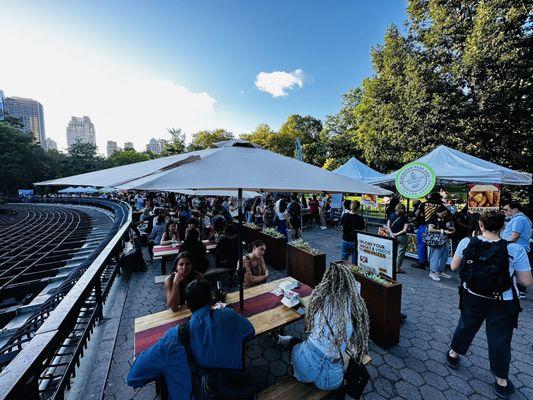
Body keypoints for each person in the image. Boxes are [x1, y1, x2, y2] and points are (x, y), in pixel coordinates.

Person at [447, 211, 533, 399]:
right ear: (502, 227)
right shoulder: (514, 249)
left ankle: (454, 354)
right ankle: (501, 380)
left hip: (472, 296)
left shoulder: (467, 242)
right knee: (500, 339)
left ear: (481, 225)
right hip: (503, 301)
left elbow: (453, 267)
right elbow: (526, 281)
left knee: (466, 326)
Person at [128, 279, 255, 400]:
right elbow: (250, 332)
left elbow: (133, 377)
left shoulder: (173, 338)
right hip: (234, 391)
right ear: (211, 300)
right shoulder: (229, 315)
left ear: (187, 305)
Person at [292, 262, 369, 391]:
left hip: (306, 366)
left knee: (295, 347)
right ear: (350, 282)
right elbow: (355, 340)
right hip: (331, 379)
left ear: (326, 279)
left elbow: (307, 327)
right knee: (343, 354)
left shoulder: (318, 297)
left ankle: (299, 374)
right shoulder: (355, 305)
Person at [502, 200, 532, 299]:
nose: (505, 212)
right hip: (519, 248)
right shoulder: (524, 218)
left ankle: (519, 291)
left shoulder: (519, 219)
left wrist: (503, 244)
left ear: (515, 209)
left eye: (507, 210)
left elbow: (515, 235)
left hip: (516, 248)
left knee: (515, 270)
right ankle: (520, 291)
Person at [427, 205, 455, 281]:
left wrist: (449, 229)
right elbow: (430, 229)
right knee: (435, 256)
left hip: (444, 239)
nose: (445, 215)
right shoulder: (433, 218)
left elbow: (442, 227)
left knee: (445, 255)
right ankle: (432, 272)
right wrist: (443, 231)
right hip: (436, 240)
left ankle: (439, 271)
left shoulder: (442, 218)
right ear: (438, 212)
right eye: (444, 213)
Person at [387, 203, 409, 273]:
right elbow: (404, 230)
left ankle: (390, 266)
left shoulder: (391, 215)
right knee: (400, 253)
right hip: (401, 237)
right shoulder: (405, 218)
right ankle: (397, 268)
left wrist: (392, 234)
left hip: (391, 235)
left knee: (392, 251)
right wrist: (396, 234)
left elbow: (388, 226)